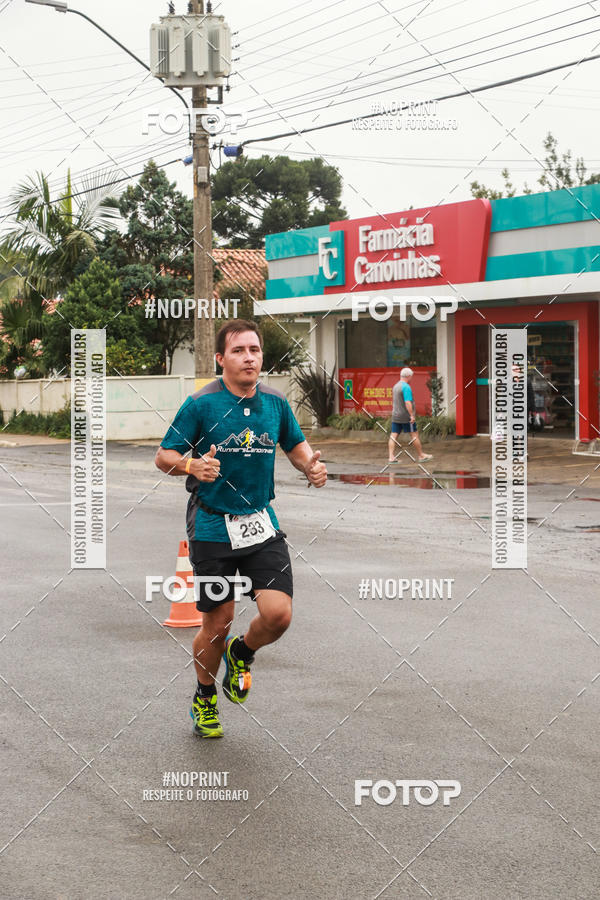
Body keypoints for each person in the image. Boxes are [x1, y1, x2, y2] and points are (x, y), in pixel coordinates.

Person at [155, 319, 327, 738]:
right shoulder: (201, 404)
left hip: (259, 524)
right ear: (221, 359)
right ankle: (205, 696)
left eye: (254, 350)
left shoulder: (274, 402)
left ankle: (242, 652)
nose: (249, 357)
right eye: (238, 351)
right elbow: (164, 455)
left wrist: (311, 466)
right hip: (213, 526)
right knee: (218, 622)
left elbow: (296, 445)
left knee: (278, 614)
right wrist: (192, 464)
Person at [388, 367, 433, 463]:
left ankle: (391, 457)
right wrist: (411, 415)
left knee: (393, 436)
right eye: (411, 376)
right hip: (406, 417)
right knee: (414, 435)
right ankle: (421, 455)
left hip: (396, 416)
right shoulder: (406, 387)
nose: (411, 378)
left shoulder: (395, 386)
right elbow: (407, 402)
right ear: (408, 376)